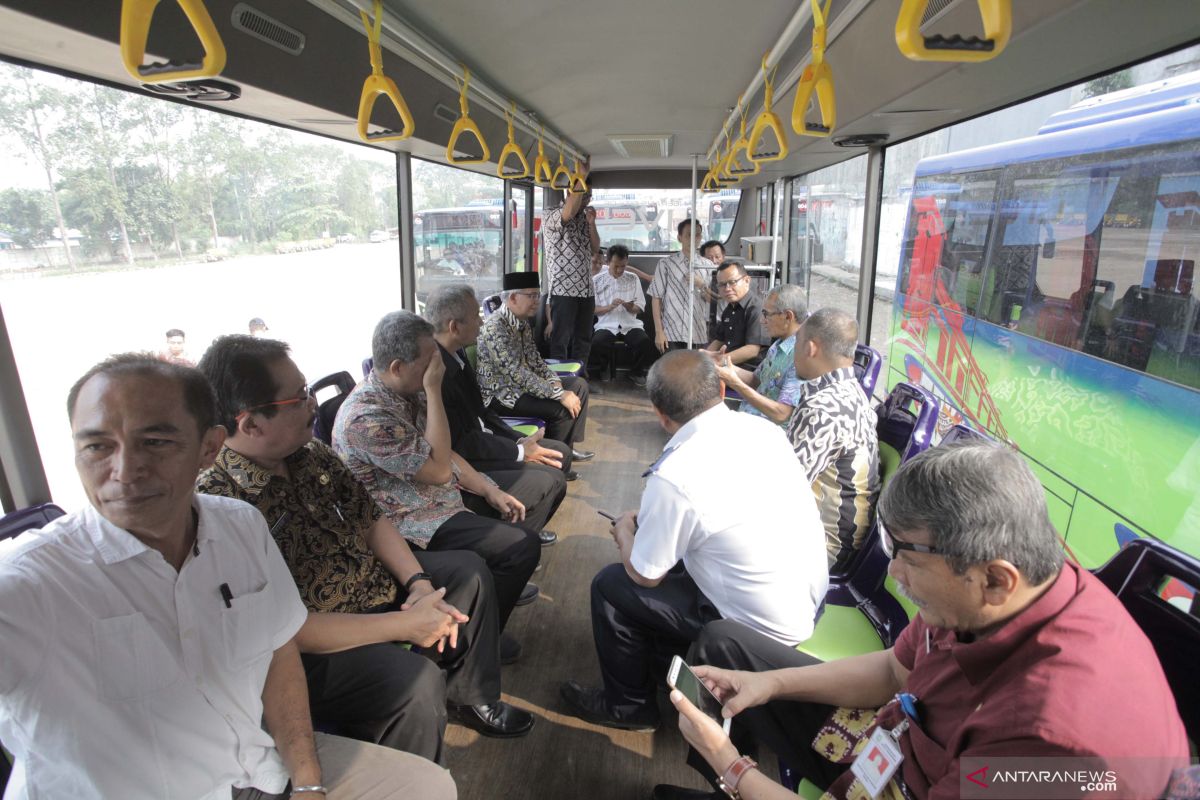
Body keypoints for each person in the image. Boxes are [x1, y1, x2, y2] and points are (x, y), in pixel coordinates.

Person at [0, 353, 455, 799]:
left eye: (155, 442)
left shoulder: (238, 525)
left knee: (431, 785)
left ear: (209, 447)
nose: (124, 471)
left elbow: (278, 655)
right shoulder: (30, 585)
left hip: (254, 768)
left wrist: (308, 782)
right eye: (97, 446)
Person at [656, 442, 1190, 800]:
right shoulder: (1002, 590)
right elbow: (894, 669)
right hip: (890, 744)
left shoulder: (1053, 746)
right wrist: (767, 684)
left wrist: (729, 763)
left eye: (907, 557)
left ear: (995, 578)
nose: (893, 573)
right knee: (727, 646)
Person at [195, 335, 534, 755]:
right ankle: (411, 746)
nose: (312, 405)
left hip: (370, 588)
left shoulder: (309, 454)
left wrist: (418, 582)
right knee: (414, 684)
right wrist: (402, 625)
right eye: (299, 398)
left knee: (468, 573)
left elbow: (370, 519)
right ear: (250, 424)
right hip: (311, 647)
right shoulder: (218, 505)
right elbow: (276, 629)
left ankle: (470, 696)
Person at [559, 351, 827, 731]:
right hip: (807, 604)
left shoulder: (674, 475)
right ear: (720, 387)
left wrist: (624, 532)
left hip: (753, 631)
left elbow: (645, 575)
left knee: (610, 584)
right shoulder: (766, 432)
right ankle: (662, 661)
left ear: (659, 413)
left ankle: (628, 707)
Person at [334, 311, 544, 638]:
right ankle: (482, 635)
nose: (437, 367)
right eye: (429, 361)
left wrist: (489, 490)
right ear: (397, 368)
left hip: (440, 501)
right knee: (521, 547)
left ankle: (488, 604)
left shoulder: (407, 389)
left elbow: (444, 453)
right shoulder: (366, 419)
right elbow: (440, 469)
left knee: (529, 495)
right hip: (410, 521)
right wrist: (434, 391)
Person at [424, 284, 571, 539]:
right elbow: (461, 444)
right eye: (475, 316)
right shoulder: (436, 374)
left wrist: (518, 440)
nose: (481, 322)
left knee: (562, 455)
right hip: (467, 461)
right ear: (454, 327)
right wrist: (521, 452)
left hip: (483, 441)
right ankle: (516, 541)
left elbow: (481, 412)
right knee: (552, 476)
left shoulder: (455, 353)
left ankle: (522, 531)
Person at [787, 308, 880, 569]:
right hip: (841, 538)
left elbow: (782, 488)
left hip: (823, 548)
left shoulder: (822, 409)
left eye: (797, 342)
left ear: (811, 348)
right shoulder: (852, 392)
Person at [477, 271, 594, 460]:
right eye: (531, 296)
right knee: (560, 408)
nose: (537, 301)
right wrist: (558, 394)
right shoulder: (495, 326)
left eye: (537, 295)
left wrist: (553, 380)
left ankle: (566, 448)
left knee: (579, 386)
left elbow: (535, 360)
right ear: (513, 297)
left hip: (520, 388)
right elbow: (517, 373)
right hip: (501, 395)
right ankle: (555, 459)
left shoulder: (521, 322)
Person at [712, 283, 808, 425]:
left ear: (788, 316)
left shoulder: (801, 355)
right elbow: (757, 380)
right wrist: (726, 365)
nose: (762, 321)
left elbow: (781, 414)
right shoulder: (779, 344)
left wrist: (735, 383)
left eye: (766, 314)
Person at [543, 180, 600, 377]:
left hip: (586, 289)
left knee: (583, 338)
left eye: (589, 196)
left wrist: (592, 224)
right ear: (570, 192)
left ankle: (580, 379)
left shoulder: (585, 219)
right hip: (563, 290)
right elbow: (566, 215)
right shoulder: (551, 214)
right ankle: (560, 382)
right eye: (583, 195)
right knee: (561, 339)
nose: (587, 200)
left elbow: (595, 248)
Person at [590, 244, 658, 386]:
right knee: (598, 341)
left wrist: (628, 306)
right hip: (606, 324)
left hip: (630, 323)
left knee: (643, 342)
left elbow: (639, 307)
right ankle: (605, 368)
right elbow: (593, 309)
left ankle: (636, 372)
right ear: (607, 262)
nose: (620, 270)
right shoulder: (596, 281)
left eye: (623, 266)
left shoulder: (633, 279)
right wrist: (609, 307)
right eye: (616, 266)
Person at [648, 219, 715, 353]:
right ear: (679, 237)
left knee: (696, 373)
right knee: (671, 372)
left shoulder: (708, 266)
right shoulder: (666, 264)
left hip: (698, 332)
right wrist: (659, 331)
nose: (693, 239)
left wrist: (701, 284)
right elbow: (656, 299)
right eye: (688, 235)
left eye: (697, 235)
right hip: (672, 332)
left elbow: (713, 301)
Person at [706, 262, 769, 367]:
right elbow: (719, 341)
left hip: (751, 372)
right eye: (722, 284)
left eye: (732, 282)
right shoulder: (729, 309)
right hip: (729, 367)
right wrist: (703, 358)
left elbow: (752, 350)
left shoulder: (757, 308)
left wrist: (718, 361)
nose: (727, 288)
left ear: (747, 281)